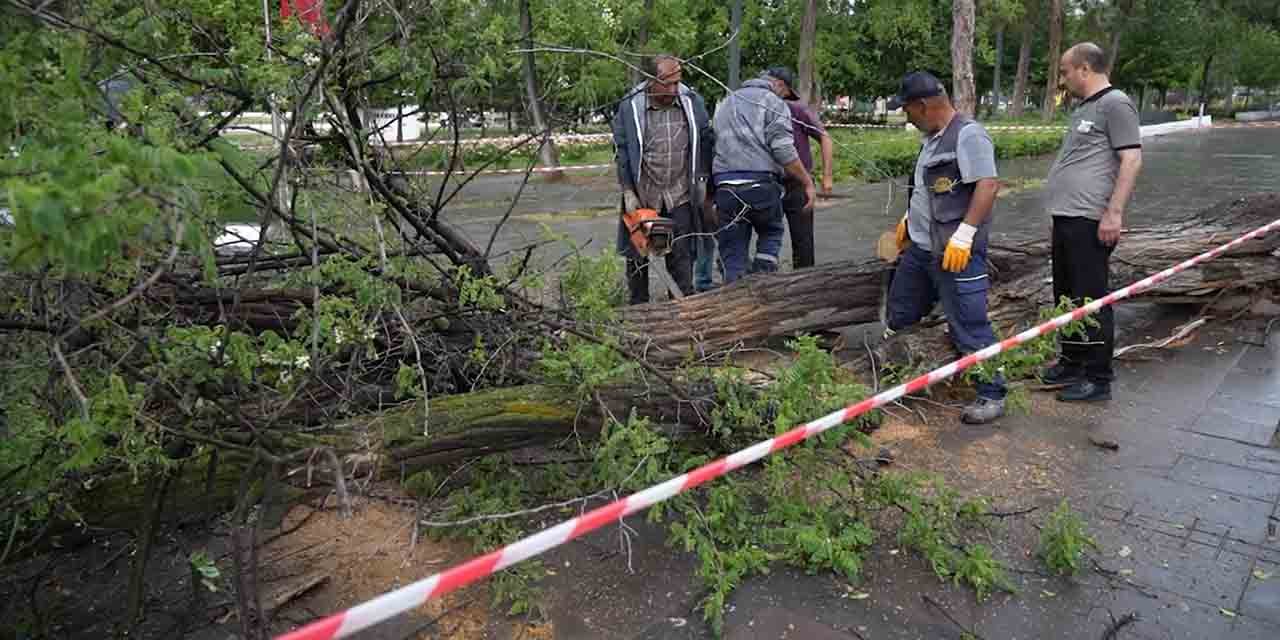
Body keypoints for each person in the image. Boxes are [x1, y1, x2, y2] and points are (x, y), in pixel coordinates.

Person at [883, 71, 1006, 425]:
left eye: (906, 109)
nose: (905, 116)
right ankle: (908, 369)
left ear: (922, 106)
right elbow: (930, 191)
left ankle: (992, 393)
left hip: (956, 254)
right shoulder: (931, 140)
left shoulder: (968, 136)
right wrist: (909, 220)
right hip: (921, 250)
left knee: (970, 323)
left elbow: (988, 184)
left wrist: (966, 233)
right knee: (901, 312)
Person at [1039, 43, 1143, 402]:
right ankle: (1072, 363)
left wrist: (1113, 212)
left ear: (1084, 68)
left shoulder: (1116, 104)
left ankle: (1098, 378)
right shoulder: (1085, 107)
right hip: (1067, 217)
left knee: (1092, 298)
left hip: (1090, 218)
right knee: (1066, 296)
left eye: (1066, 72)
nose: (1064, 80)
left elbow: (1130, 160)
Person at [612, 54, 714, 304]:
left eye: (677, 82)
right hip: (643, 195)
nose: (673, 89)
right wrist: (628, 190)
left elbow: (705, 141)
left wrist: (704, 184)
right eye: (666, 83)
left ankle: (682, 312)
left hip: (679, 194)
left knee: (681, 257)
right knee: (638, 259)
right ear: (649, 80)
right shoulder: (630, 107)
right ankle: (640, 313)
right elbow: (622, 149)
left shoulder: (692, 102)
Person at [710, 71, 816, 283]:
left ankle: (734, 295)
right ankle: (763, 278)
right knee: (771, 231)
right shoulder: (773, 103)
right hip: (761, 187)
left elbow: (713, 145)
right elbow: (783, 150)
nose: (784, 97)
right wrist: (807, 181)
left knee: (732, 251)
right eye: (784, 91)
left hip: (726, 188)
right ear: (776, 84)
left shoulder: (726, 103)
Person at [763, 66, 834, 269]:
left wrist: (827, 177)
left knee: (802, 241)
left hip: (798, 184)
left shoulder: (797, 109)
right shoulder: (760, 108)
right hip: (769, 183)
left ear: (780, 86)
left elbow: (825, 138)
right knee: (767, 240)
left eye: (768, 82)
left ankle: (806, 282)